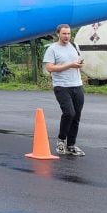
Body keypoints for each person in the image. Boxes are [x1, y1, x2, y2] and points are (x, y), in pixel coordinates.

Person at [43, 24, 86, 156]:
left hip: (77, 85)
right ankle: (61, 140)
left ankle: (71, 145)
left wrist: (79, 64)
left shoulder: (74, 46)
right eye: (64, 34)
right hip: (61, 86)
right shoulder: (52, 49)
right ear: (58, 34)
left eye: (68, 34)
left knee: (76, 116)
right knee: (69, 113)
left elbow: (77, 64)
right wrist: (70, 65)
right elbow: (49, 68)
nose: (67, 36)